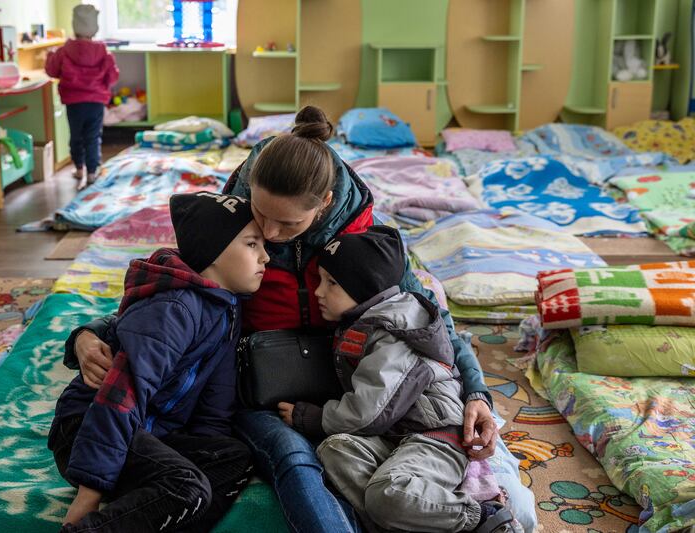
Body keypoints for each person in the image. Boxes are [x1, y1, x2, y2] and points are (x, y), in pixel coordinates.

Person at [66, 106, 499, 533]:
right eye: (262, 216)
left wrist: (477, 392)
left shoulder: (366, 246)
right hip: (260, 390)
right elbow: (175, 291)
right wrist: (88, 334)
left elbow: (425, 319)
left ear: (325, 204)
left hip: (353, 387)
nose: (270, 235)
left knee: (386, 468)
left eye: (287, 222)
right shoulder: (235, 228)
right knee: (296, 461)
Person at [49, 191, 269, 532]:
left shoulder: (226, 308)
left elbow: (215, 404)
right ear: (215, 252)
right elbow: (123, 394)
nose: (265, 257)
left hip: (148, 431)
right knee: (187, 487)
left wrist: (201, 451)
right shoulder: (175, 309)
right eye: (252, 244)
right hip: (88, 428)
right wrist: (90, 492)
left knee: (233, 457)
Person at [278, 226, 516, 533]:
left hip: (437, 437)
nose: (319, 292)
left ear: (366, 289)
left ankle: (483, 517)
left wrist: (314, 417)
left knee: (386, 493)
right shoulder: (364, 322)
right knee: (335, 449)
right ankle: (412, 522)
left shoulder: (394, 330)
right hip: (399, 435)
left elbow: (370, 411)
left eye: (332, 283)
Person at [45, 4, 119, 190]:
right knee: (93, 137)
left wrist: (49, 56)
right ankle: (92, 173)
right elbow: (113, 76)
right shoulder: (102, 51)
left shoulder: (64, 51)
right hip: (96, 101)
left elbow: (52, 71)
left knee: (76, 135)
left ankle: (79, 168)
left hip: (74, 102)